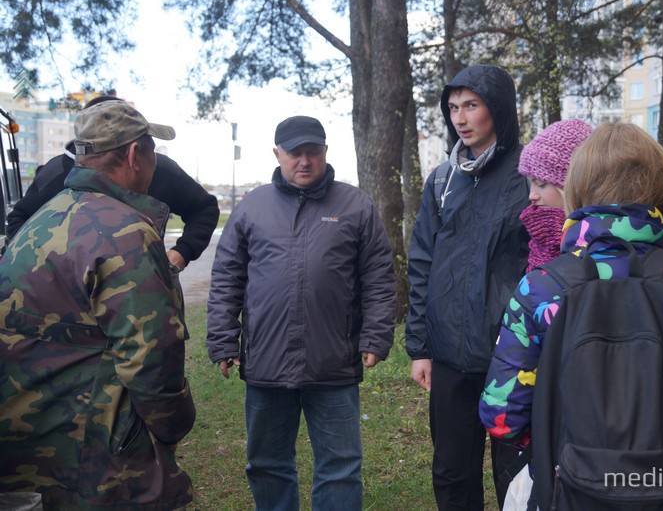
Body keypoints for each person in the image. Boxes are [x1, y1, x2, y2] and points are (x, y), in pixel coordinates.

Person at [479, 122, 663, 508]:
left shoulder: (541, 289)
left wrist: (561, 442)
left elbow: (502, 416)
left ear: (576, 187)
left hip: (570, 487)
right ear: (662, 187)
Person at [0, 100, 196, 509]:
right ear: (133, 155)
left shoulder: (44, 218)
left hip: (31, 447)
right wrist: (175, 424)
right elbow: (152, 360)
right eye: (152, 150)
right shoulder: (124, 232)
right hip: (100, 460)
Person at [206, 115, 396, 511]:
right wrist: (223, 339)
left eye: (313, 152)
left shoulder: (355, 205)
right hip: (266, 363)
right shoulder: (252, 207)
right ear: (277, 154)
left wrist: (376, 336)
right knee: (267, 463)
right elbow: (227, 278)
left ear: (326, 152)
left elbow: (378, 277)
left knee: (341, 466)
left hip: (335, 362)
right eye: (295, 153)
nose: (304, 161)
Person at [405, 64, 531, 509]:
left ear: (497, 109)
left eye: (471, 106)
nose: (460, 118)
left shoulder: (529, 175)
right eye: (453, 107)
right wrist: (421, 346)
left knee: (516, 477)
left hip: (512, 354)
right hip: (450, 355)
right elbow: (421, 263)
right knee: (452, 472)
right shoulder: (443, 180)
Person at [5, 95, 220, 271]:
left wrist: (181, 252)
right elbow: (18, 222)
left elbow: (204, 208)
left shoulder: (157, 168)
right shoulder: (55, 173)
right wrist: (56, 276)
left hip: (143, 293)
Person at [518, 119, 592, 272]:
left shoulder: (593, 245)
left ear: (571, 185)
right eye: (530, 183)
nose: (532, 195)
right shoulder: (541, 239)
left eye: (541, 184)